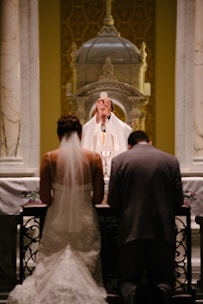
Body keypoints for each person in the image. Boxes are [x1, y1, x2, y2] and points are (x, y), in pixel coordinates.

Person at [7, 114, 108, 304]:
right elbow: (98, 197)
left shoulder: (49, 158)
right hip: (84, 217)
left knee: (55, 257)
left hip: (57, 219)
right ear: (80, 135)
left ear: (59, 135)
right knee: (82, 256)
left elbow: (45, 197)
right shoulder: (94, 158)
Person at [107, 130, 184, 304]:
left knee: (128, 281)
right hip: (162, 230)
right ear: (150, 142)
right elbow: (178, 201)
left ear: (129, 145)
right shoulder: (170, 161)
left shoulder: (119, 161)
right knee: (163, 281)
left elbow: (113, 201)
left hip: (130, 230)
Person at [81, 93, 132, 176]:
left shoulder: (118, 126)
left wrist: (109, 116)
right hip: (94, 172)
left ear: (113, 113)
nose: (103, 114)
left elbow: (126, 131)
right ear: (95, 112)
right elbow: (85, 133)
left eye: (107, 111)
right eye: (100, 111)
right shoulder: (90, 127)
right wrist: (98, 116)